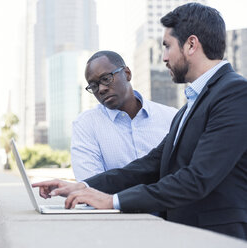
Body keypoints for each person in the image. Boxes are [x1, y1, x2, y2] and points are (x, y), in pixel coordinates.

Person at [33, 2, 247, 240]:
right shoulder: (192, 103)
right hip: (188, 234)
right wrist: (83, 187)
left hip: (219, 237)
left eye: (167, 46)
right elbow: (150, 165)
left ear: (191, 44)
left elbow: (197, 178)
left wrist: (113, 200)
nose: (164, 57)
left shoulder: (235, 93)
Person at [71, 51, 177, 181]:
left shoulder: (172, 117)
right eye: (93, 86)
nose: (101, 89)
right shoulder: (85, 125)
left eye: (106, 78)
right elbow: (90, 188)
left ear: (127, 73)